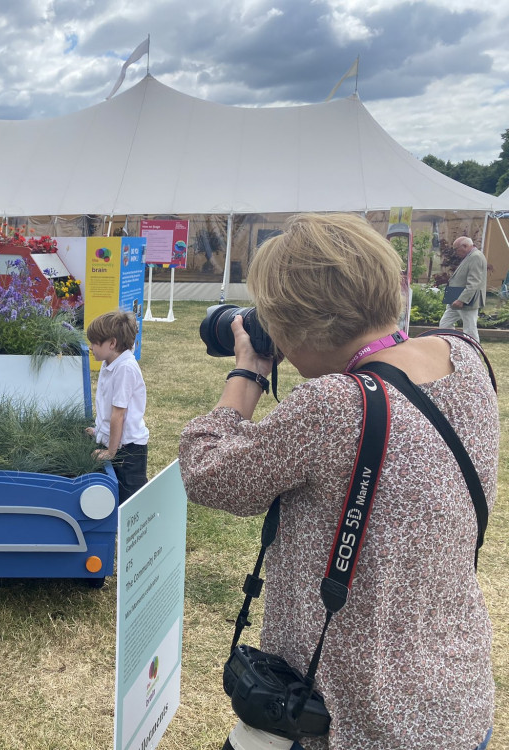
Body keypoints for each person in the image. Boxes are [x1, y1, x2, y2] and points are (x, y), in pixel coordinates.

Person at [178, 213, 497, 750]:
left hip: (354, 714)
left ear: (298, 326)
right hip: (457, 701)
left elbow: (207, 469)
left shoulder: (335, 406)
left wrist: (250, 370)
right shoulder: (464, 357)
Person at [85, 309, 149, 504]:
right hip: (116, 440)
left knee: (130, 497)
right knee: (115, 491)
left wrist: (111, 452)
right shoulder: (109, 362)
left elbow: (118, 415)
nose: (90, 347)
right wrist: (99, 432)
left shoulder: (125, 368)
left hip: (129, 448)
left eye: (95, 343)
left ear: (112, 343)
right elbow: (106, 407)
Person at [439, 235, 487, 341]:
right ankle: (451, 344)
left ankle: (474, 352)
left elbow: (474, 282)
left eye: (456, 249)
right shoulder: (470, 256)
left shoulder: (476, 257)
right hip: (454, 298)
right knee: (445, 324)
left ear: (465, 246)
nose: (455, 252)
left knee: (470, 329)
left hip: (466, 300)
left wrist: (462, 299)